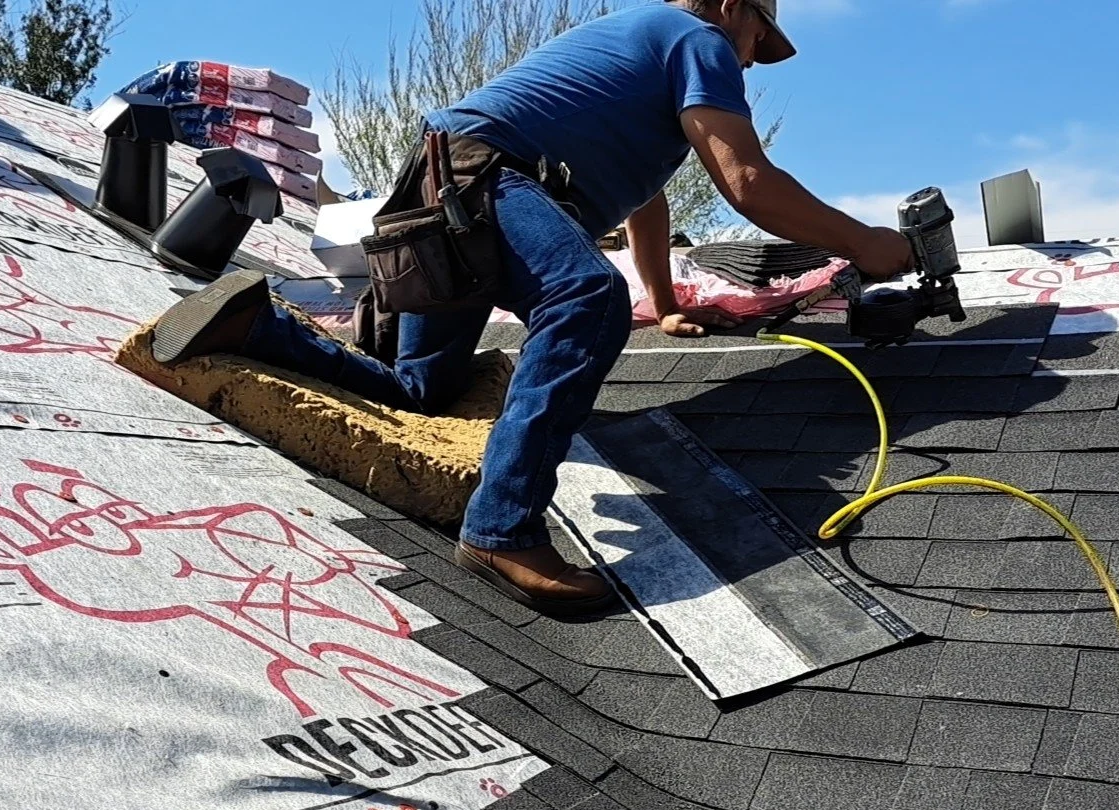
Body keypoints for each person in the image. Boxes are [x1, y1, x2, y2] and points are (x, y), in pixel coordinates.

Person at [148, 0, 914, 615]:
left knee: (424, 388)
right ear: (730, 7)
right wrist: (866, 243)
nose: (750, 59)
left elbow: (647, 206)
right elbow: (746, 182)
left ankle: (256, 324)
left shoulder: (639, 70)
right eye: (758, 37)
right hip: (490, 178)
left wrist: (673, 303)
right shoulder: (695, 37)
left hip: (442, 184)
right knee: (584, 298)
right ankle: (502, 529)